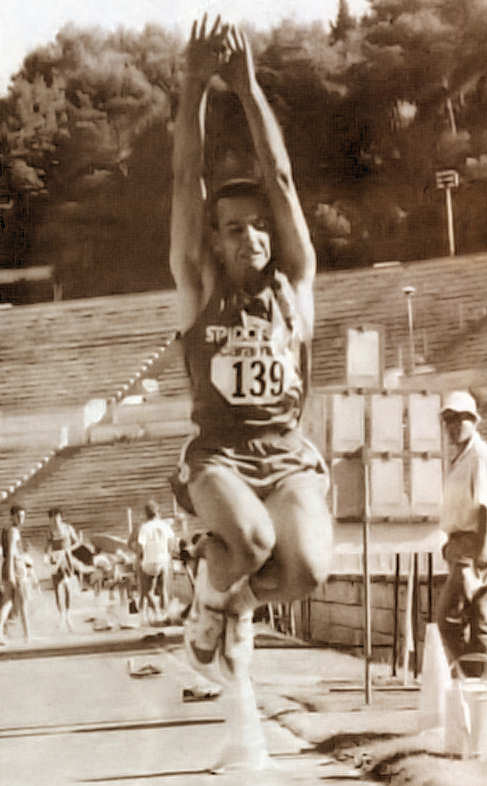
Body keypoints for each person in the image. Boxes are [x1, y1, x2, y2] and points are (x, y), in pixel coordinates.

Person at [169, 16, 332, 682]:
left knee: (307, 571)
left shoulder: (295, 284)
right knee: (252, 539)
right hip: (219, 455)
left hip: (287, 454)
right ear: (215, 240)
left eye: (260, 227)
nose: (251, 239)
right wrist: (194, 88)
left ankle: (237, 604)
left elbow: (281, 179)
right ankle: (207, 604)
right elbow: (186, 180)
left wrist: (247, 86)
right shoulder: (201, 285)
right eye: (234, 229)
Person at [437, 391, 487, 678]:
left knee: (447, 618)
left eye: (460, 419)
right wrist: (449, 545)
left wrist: (479, 556)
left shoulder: (480, 455)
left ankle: (473, 678)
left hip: (475, 543)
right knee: (478, 620)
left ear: (474, 421)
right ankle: (483, 684)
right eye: (448, 420)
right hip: (461, 545)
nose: (453, 426)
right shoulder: (460, 458)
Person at [136, 500, 172, 624]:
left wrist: (139, 558)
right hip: (164, 560)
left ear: (146, 513)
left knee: (147, 591)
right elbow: (171, 542)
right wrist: (168, 553)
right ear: (157, 512)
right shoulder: (164, 525)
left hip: (150, 561)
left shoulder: (145, 527)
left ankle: (157, 613)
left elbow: (140, 546)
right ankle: (165, 615)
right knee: (163, 590)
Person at [0, 505, 31, 643]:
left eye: (23, 516)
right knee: (23, 601)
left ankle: (1, 631)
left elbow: (6, 553)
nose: (21, 519)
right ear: (12, 516)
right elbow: (11, 553)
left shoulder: (6, 530)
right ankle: (27, 634)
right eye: (18, 516)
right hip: (16, 568)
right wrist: (12, 573)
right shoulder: (13, 531)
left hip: (7, 566)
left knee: (7, 602)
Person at [45, 507, 78, 632]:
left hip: (67, 559)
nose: (55, 521)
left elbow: (77, 542)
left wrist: (68, 549)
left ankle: (68, 615)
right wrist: (47, 557)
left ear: (61, 517)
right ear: (50, 520)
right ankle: (61, 616)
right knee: (57, 588)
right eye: (52, 519)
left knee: (67, 587)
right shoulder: (50, 531)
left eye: (57, 518)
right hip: (56, 559)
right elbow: (47, 547)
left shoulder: (68, 528)